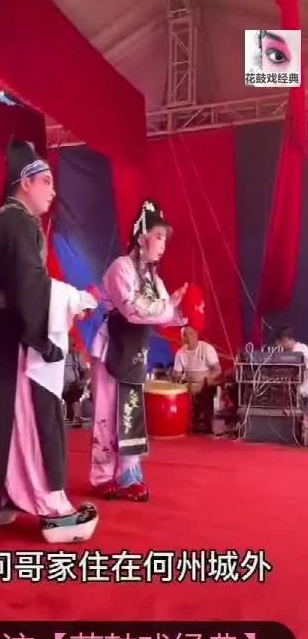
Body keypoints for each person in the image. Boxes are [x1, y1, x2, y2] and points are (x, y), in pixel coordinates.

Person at [0, 138, 99, 543]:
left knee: (4, 424)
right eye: (46, 181)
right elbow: (28, 285)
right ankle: (52, 509)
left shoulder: (6, 221)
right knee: (30, 423)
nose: (52, 190)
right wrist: (68, 304)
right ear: (24, 182)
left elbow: (24, 285)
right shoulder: (16, 222)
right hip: (11, 344)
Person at [89, 200, 187, 502]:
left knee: (130, 411)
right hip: (112, 348)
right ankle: (103, 476)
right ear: (142, 237)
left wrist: (182, 312)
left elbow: (163, 315)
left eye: (165, 239)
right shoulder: (121, 268)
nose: (162, 245)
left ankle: (129, 475)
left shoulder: (154, 280)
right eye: (159, 237)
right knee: (106, 412)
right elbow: (134, 309)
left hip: (134, 352)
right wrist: (167, 306)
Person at [172, 325, 221, 434]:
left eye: (191, 334)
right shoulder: (180, 353)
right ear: (182, 337)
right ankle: (185, 423)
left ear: (196, 334)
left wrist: (204, 381)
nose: (188, 337)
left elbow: (218, 370)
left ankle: (206, 424)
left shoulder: (206, 349)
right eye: (185, 335)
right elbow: (177, 374)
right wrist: (175, 377)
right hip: (188, 384)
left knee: (205, 391)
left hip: (206, 383)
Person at [63, 335, 89, 427]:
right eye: (69, 344)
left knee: (74, 393)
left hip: (74, 385)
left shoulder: (77, 355)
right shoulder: (56, 355)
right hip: (59, 386)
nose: (71, 347)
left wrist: (83, 381)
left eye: (73, 344)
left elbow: (87, 370)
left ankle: (77, 417)